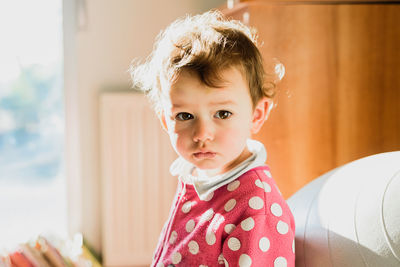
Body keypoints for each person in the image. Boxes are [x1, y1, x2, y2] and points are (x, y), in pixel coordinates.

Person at [130, 10, 295, 267]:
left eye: (222, 113)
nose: (202, 134)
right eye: (185, 116)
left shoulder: (256, 208)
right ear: (165, 120)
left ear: (256, 115)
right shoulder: (199, 176)